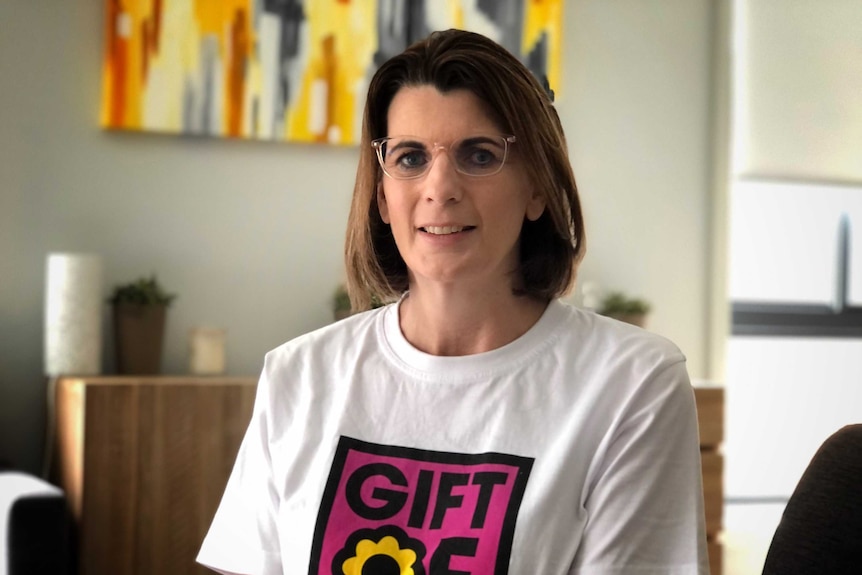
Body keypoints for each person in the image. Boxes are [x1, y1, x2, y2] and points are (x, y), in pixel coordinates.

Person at [198, 29, 708, 575]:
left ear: (537, 187)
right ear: (383, 197)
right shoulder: (297, 375)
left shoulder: (632, 383)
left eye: (480, 154)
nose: (440, 188)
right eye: (411, 156)